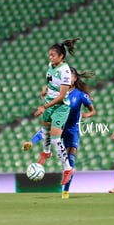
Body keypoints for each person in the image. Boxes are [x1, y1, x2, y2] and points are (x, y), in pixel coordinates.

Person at [23, 67, 96, 199]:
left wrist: (85, 114)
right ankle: (34, 144)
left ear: (74, 79)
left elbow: (93, 110)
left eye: (70, 76)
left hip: (72, 130)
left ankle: (65, 192)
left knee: (70, 160)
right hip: (59, 125)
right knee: (49, 131)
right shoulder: (58, 93)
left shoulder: (81, 95)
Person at [33, 38, 80, 187]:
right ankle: (46, 152)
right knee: (45, 126)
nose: (50, 57)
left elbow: (61, 96)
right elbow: (51, 81)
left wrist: (44, 107)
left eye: (53, 55)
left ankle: (68, 169)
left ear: (61, 56)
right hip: (49, 102)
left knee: (55, 139)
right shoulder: (51, 66)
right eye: (50, 55)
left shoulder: (65, 71)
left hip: (60, 106)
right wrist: (45, 88)